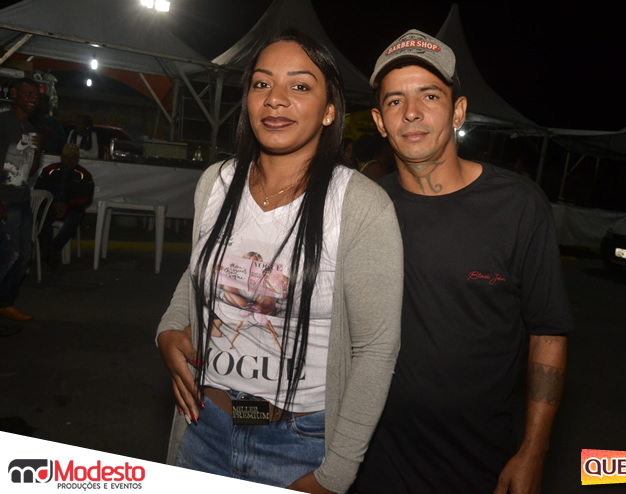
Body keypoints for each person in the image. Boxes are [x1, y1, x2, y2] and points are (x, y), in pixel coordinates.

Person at [155, 29, 403, 494]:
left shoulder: (360, 205)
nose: (275, 99)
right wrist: (168, 329)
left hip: (299, 446)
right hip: (205, 426)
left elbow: (375, 350)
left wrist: (337, 473)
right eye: (262, 83)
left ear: (329, 110)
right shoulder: (216, 182)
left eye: (300, 85)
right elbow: (198, 273)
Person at [352, 30, 573, 494]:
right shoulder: (364, 207)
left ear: (458, 111)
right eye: (395, 101)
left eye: (430, 96)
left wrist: (534, 450)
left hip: (478, 465)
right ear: (379, 121)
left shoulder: (518, 206)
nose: (412, 112)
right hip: (371, 462)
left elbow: (548, 333)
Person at [0, 77, 42, 322]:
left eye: (36, 96)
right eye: (28, 94)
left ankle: (6, 303)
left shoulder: (31, 128)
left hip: (21, 198)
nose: (33, 99)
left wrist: (38, 149)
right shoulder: (3, 123)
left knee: (24, 254)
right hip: (4, 199)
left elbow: (30, 170)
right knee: (10, 253)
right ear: (14, 94)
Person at [35, 143, 94, 265]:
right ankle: (45, 250)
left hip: (72, 208)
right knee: (42, 216)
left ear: (77, 159)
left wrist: (68, 205)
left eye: (73, 158)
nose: (69, 161)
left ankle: (52, 249)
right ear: (62, 157)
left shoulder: (84, 175)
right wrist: (53, 204)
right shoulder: (50, 171)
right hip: (50, 206)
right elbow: (38, 191)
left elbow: (87, 199)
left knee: (74, 220)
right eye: (67, 157)